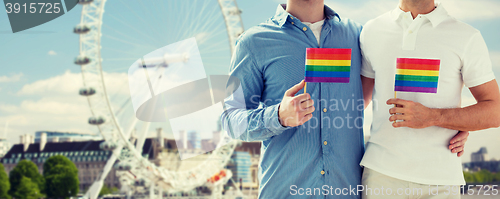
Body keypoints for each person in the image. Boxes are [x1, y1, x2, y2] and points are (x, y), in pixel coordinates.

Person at [221, 0, 468, 198]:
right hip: (285, 191)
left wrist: (450, 123)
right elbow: (229, 119)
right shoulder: (254, 43)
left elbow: (397, 85)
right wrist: (277, 116)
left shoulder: (358, 36)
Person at [360, 0, 500, 198]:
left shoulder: (466, 36)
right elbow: (356, 103)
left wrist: (435, 117)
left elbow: (495, 111)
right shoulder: (371, 30)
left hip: (441, 182)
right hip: (381, 176)